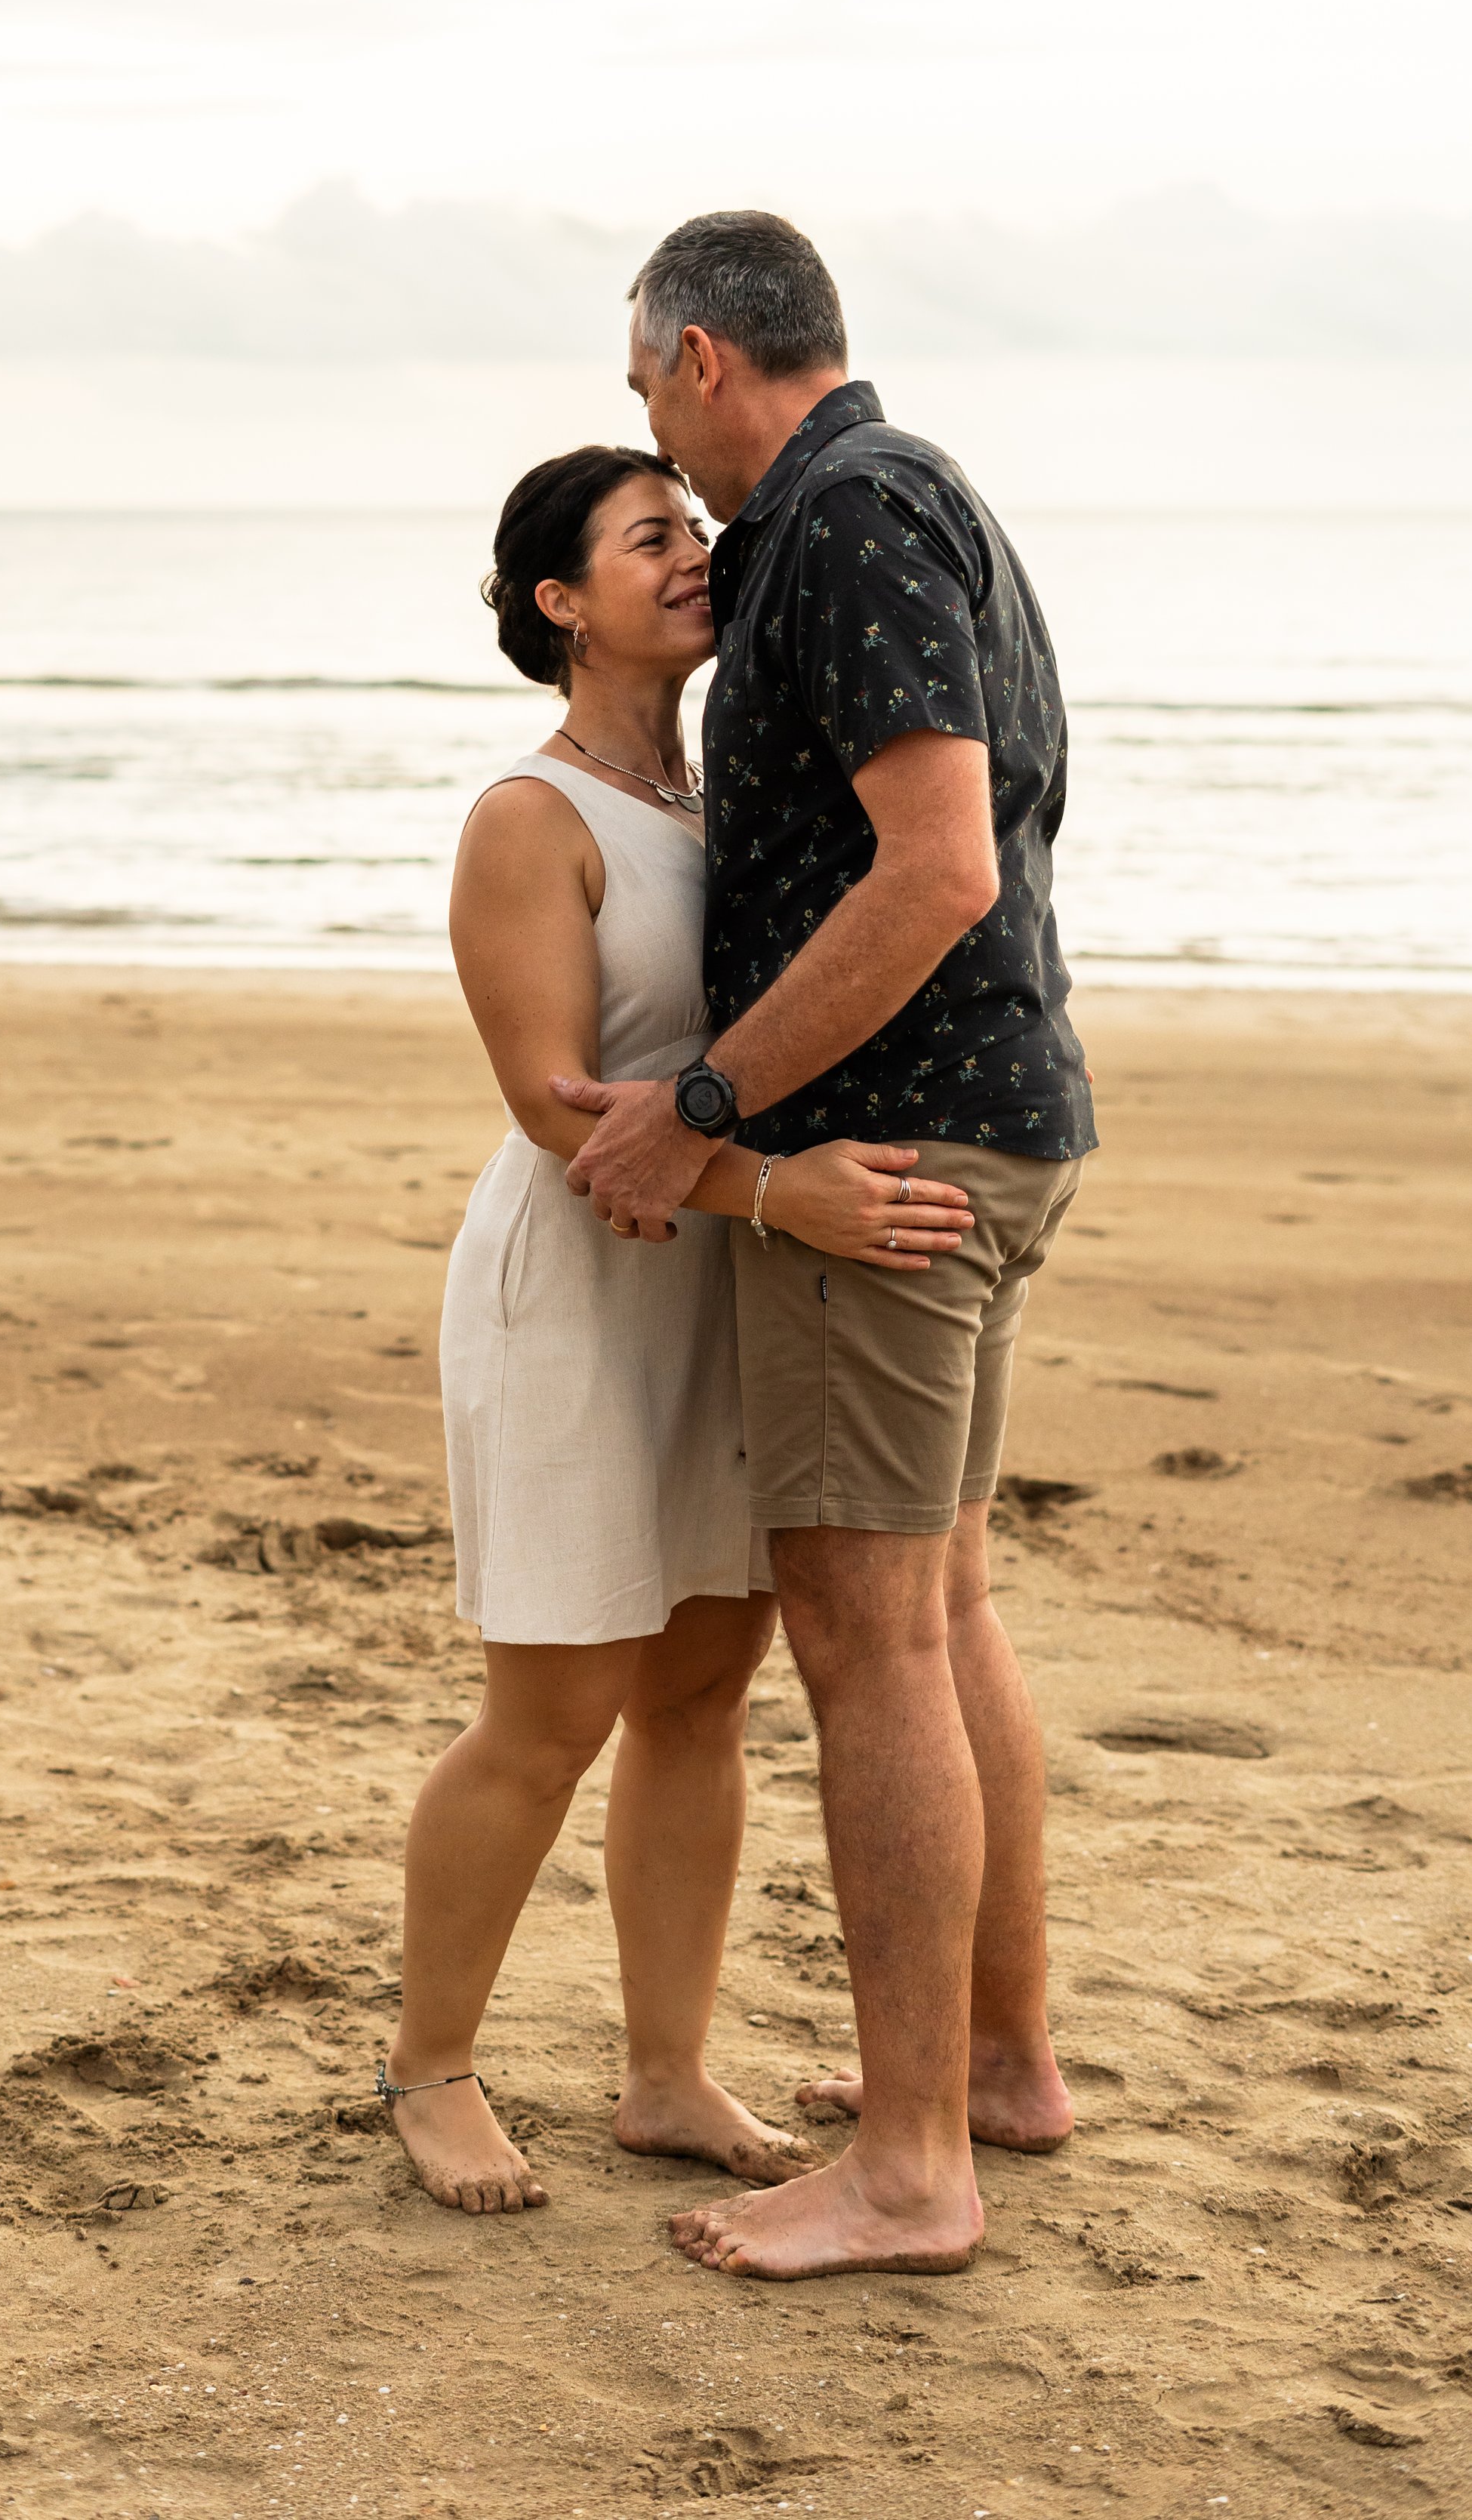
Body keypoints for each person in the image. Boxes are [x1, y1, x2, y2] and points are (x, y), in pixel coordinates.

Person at [556, 211, 1097, 2279]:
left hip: (889, 1160)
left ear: (700, 355)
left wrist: (702, 1106)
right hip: (986, 1124)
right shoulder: (905, 496)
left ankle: (902, 2168)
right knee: (942, 1611)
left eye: (642, 398)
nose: (655, 450)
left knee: (866, 1635)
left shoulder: (847, 516)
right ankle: (994, 2067)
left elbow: (939, 864)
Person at [379, 442, 976, 2217]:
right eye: (651, 538)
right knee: (549, 1703)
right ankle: (428, 2068)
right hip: (576, 1290)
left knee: (704, 1693)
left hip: (715, 1290)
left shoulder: (719, 796)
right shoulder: (525, 816)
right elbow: (563, 1110)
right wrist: (784, 1197)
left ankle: (660, 2073)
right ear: (561, 603)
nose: (694, 553)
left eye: (695, 527)